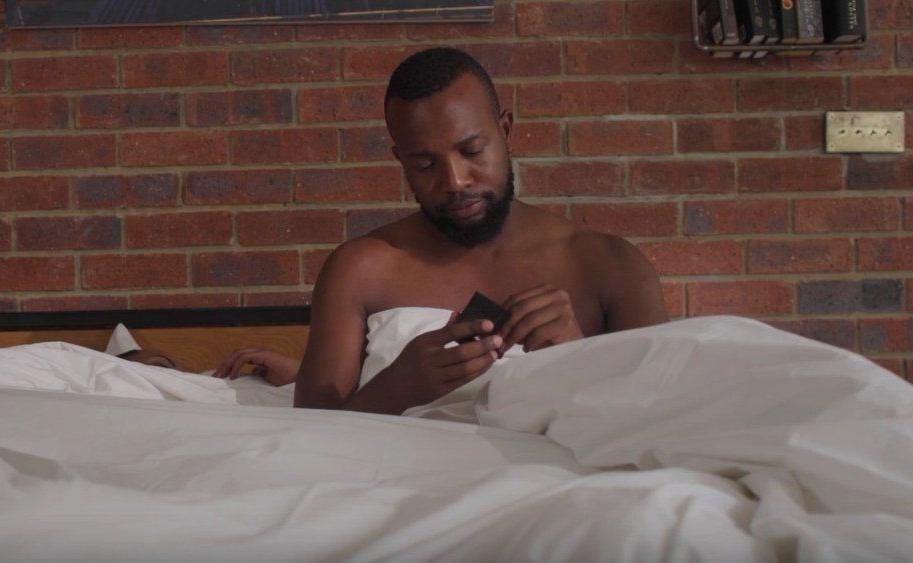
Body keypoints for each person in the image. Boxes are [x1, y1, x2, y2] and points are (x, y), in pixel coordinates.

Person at [216, 47, 668, 414]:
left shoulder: (612, 267)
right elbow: (313, 436)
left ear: (506, 130)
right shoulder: (359, 270)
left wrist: (580, 357)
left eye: (471, 151)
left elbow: (666, 418)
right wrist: (396, 389)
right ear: (400, 161)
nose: (454, 182)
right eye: (425, 164)